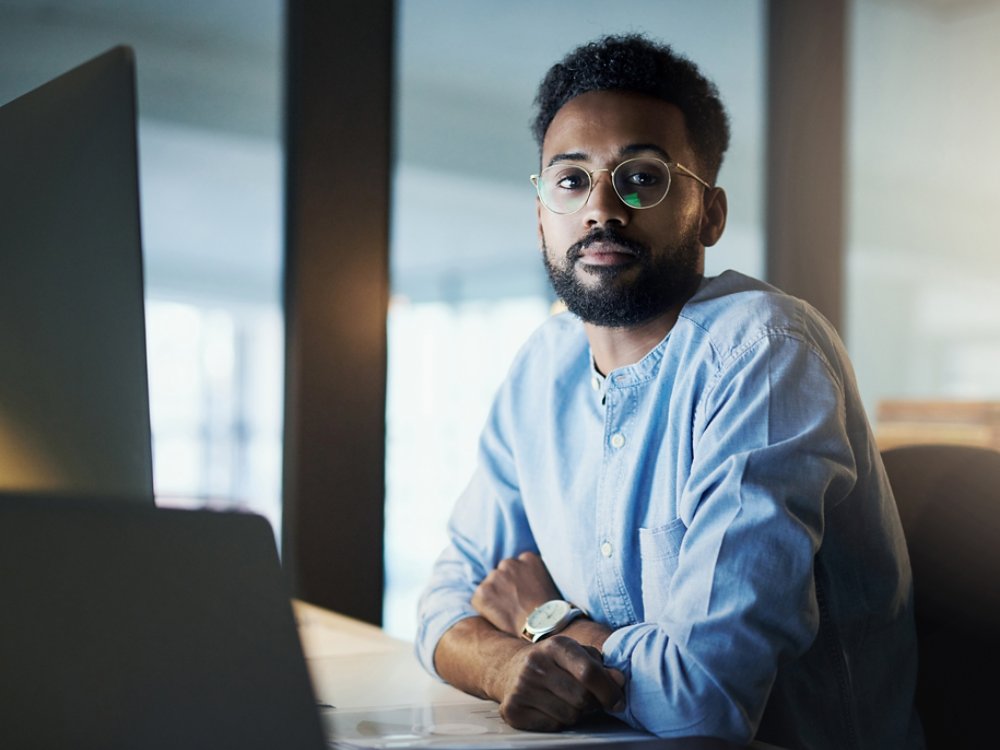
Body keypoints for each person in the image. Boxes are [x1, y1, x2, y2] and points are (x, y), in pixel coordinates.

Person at [415, 33, 923, 749]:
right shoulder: (542, 367)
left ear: (709, 214)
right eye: (570, 181)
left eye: (641, 178)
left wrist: (546, 621)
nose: (602, 210)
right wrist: (505, 667)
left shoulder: (765, 353)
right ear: (540, 217)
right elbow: (442, 605)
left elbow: (703, 698)